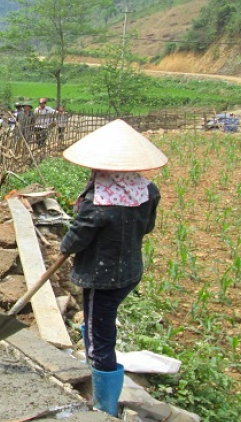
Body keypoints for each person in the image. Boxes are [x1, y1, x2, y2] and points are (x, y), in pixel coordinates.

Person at [59, 119, 167, 416]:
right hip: (129, 270)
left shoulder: (99, 200)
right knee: (97, 324)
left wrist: (65, 246)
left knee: (100, 337)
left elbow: (74, 240)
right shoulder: (148, 190)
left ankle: (103, 405)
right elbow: (147, 228)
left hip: (101, 276)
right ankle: (93, 366)